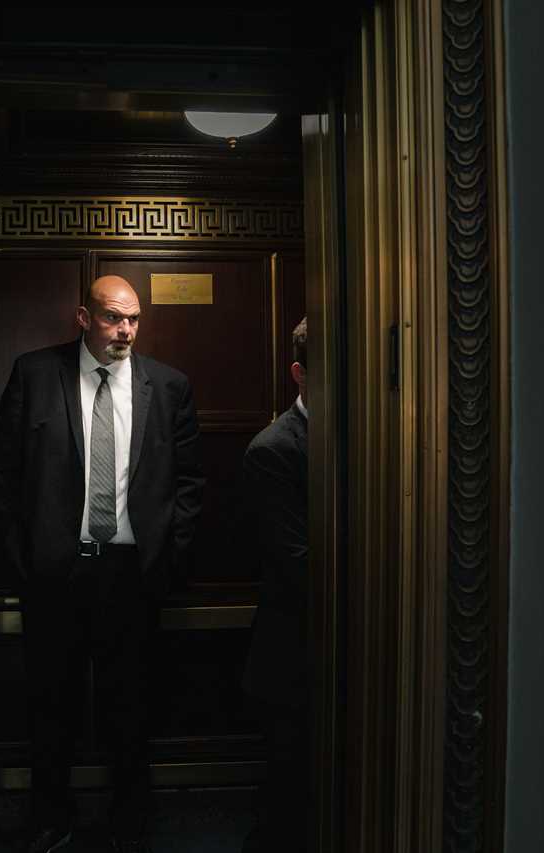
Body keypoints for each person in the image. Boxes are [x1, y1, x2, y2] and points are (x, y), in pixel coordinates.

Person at [0, 275, 205, 853]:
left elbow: (188, 481)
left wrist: (169, 556)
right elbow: (2, 475)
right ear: (84, 317)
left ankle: (130, 821)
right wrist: (23, 562)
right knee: (49, 704)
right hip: (55, 575)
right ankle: (50, 819)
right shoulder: (35, 374)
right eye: (113, 318)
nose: (125, 331)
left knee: (130, 706)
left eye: (133, 319)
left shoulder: (169, 385)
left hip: (133, 574)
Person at [241, 317, 311, 853]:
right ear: (299, 374)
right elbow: (293, 559)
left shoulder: (372, 440)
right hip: (294, 647)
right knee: (288, 789)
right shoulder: (273, 448)